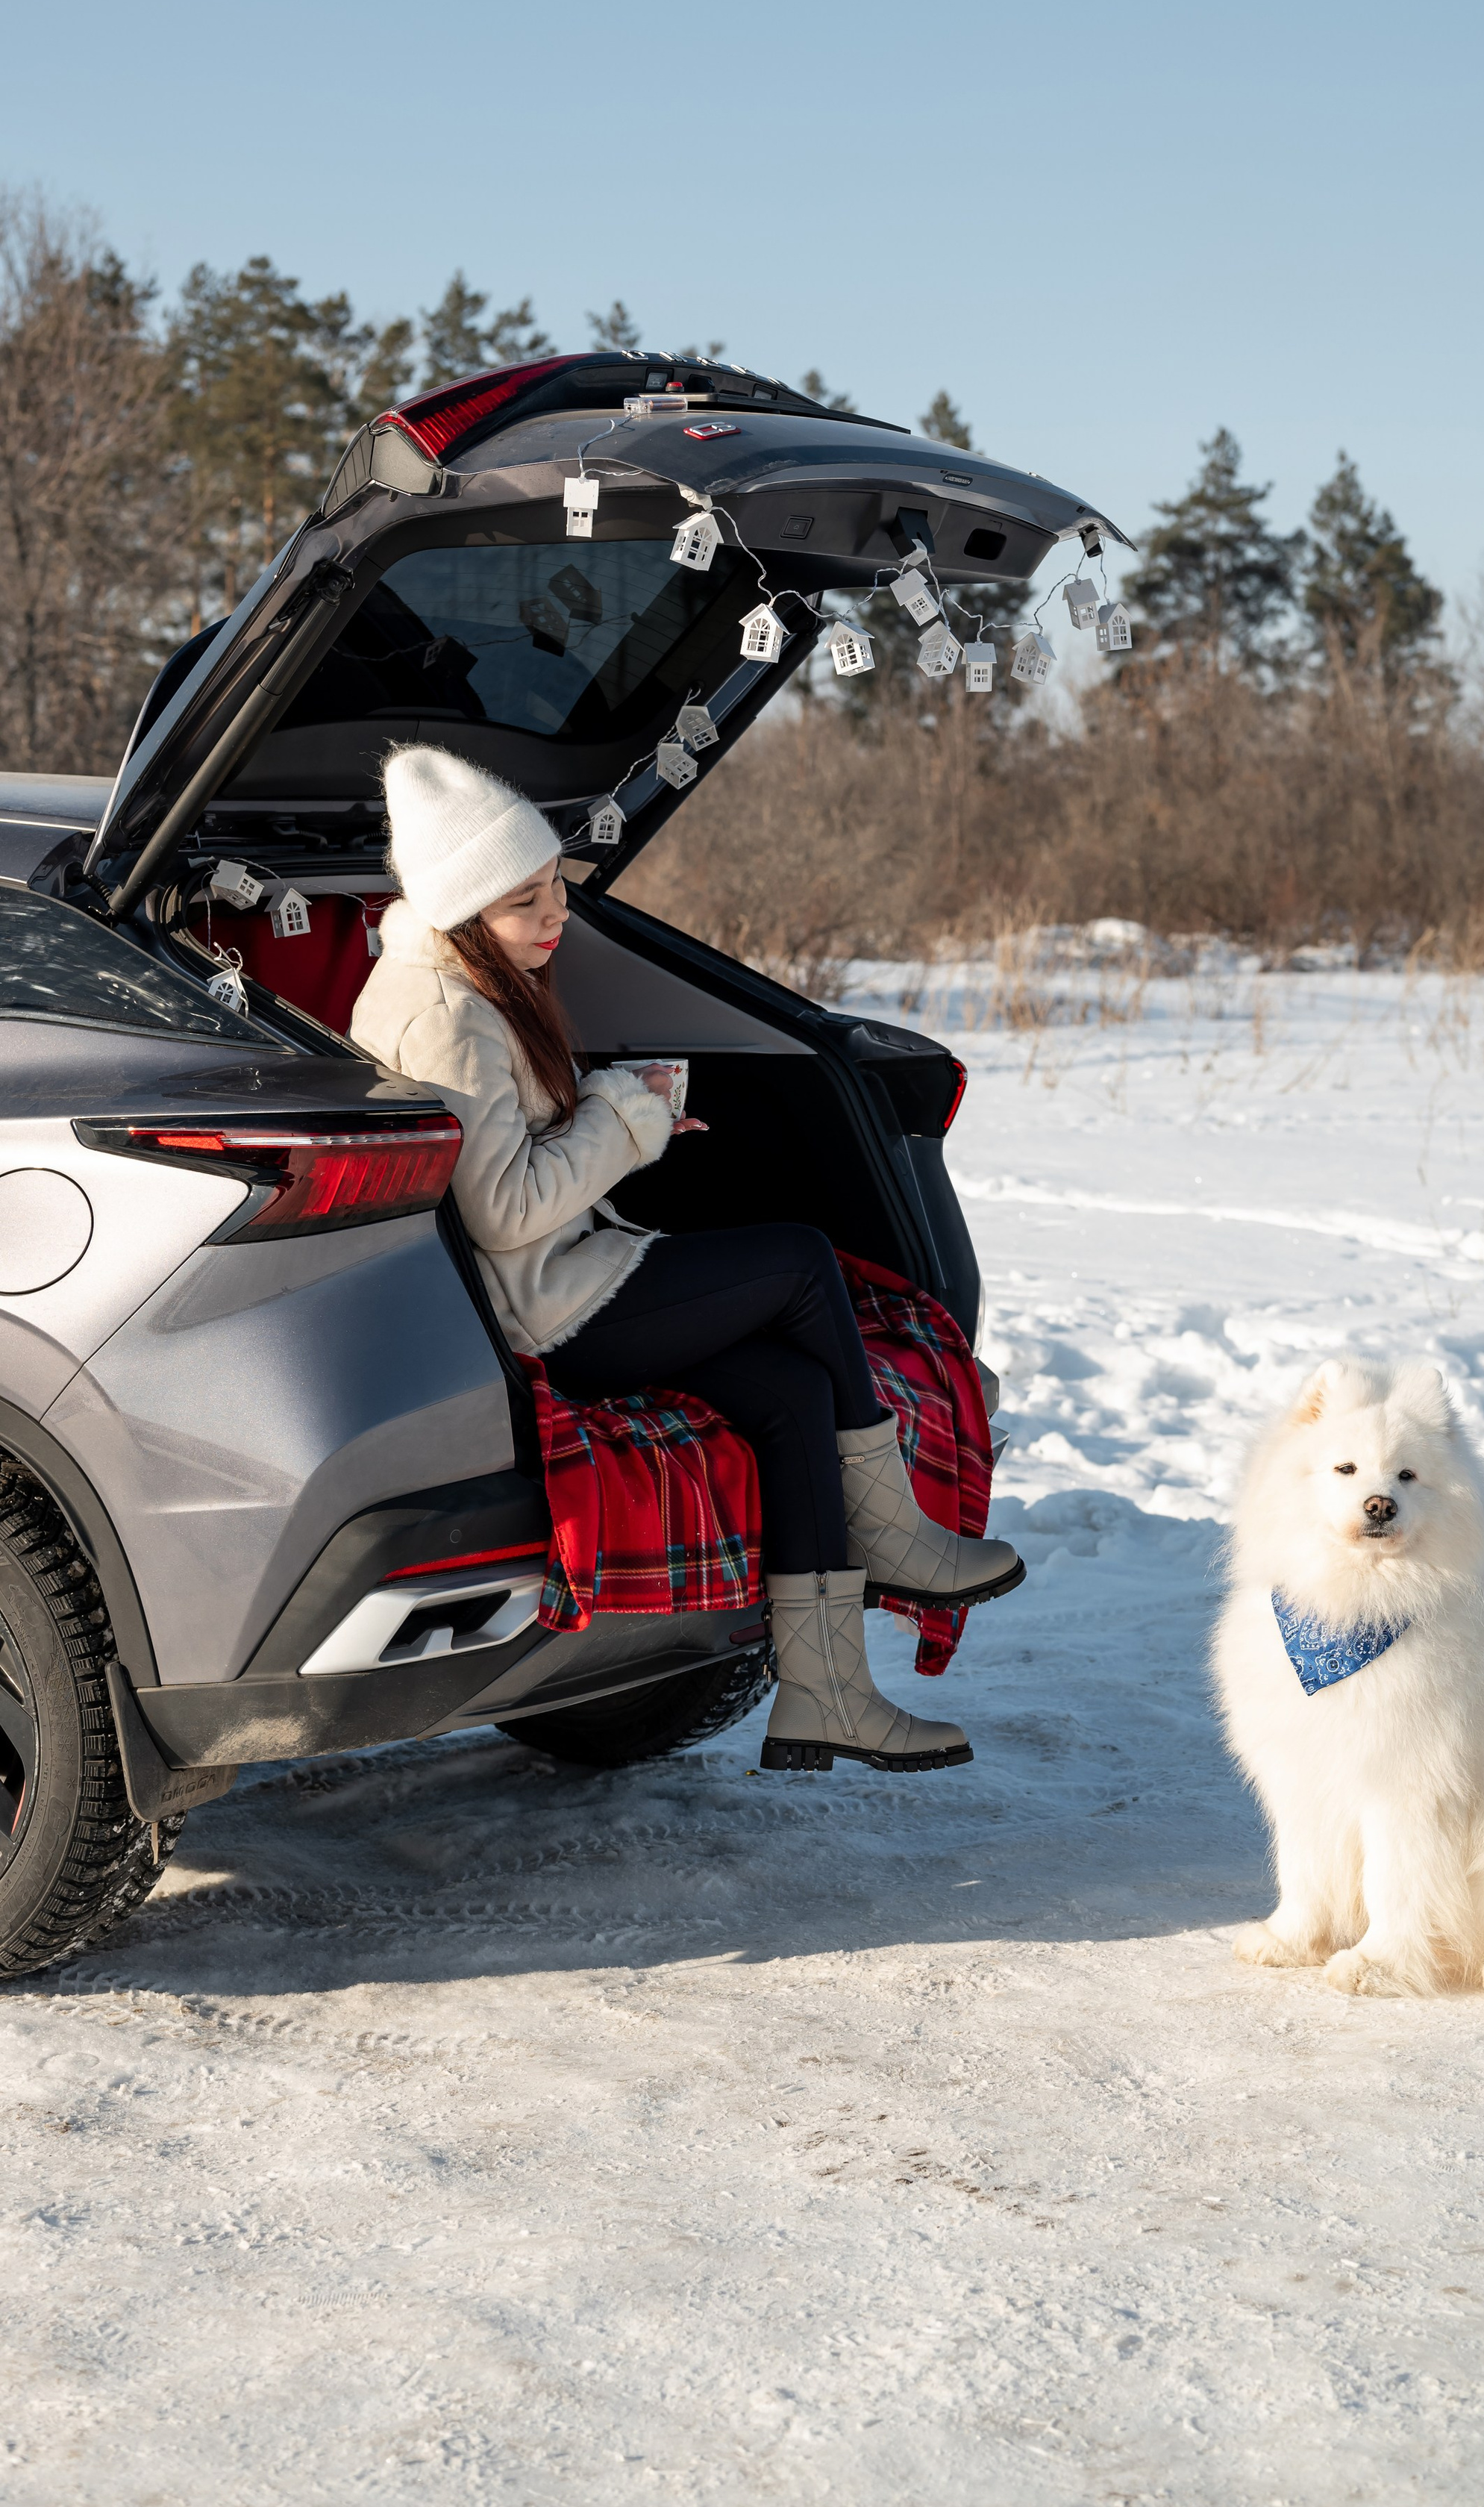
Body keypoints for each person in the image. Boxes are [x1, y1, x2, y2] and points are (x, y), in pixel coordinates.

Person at [350, 746, 1021, 1773]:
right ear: (463, 912)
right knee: (800, 1261)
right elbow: (508, 1210)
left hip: (565, 1282)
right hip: (547, 1310)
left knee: (795, 1393)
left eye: (557, 890)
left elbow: (513, 1165)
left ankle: (827, 1696)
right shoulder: (445, 1015)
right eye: (525, 901)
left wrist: (630, 1112)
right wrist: (624, 1117)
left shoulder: (468, 989)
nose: (555, 916)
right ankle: (893, 1536)